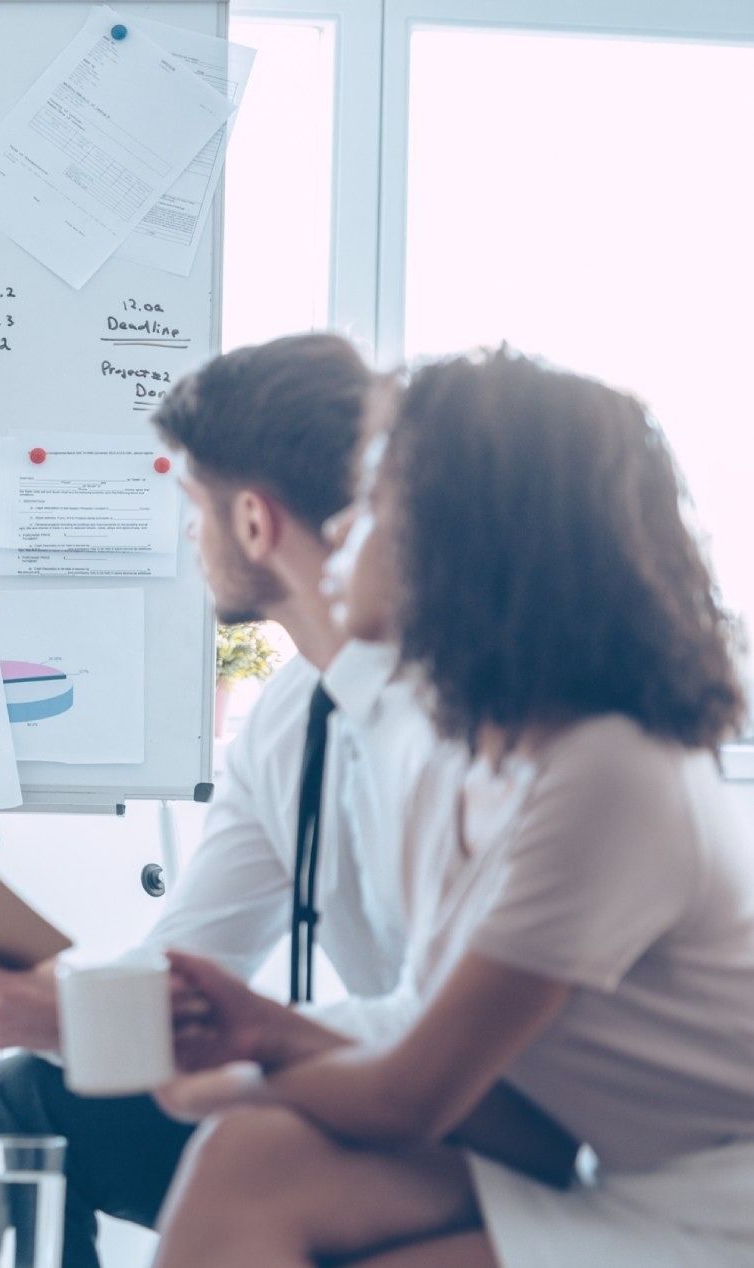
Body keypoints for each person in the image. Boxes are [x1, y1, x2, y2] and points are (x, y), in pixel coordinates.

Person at [0, 335, 575, 1268]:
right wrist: (47, 997)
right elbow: (188, 961)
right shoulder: (288, 718)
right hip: (358, 1075)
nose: (189, 537)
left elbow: (452, 1038)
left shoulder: (476, 719)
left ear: (254, 523)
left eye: (192, 507)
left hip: (477, 1112)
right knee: (14, 1102)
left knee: (243, 1139)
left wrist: (225, 1039)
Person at [153, 349, 754, 1267]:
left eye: (377, 498)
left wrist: (261, 1048)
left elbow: (414, 1101)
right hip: (623, 1176)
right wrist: (257, 1037)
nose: (345, 523)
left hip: (722, 1205)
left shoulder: (607, 772)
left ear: (467, 533)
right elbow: (525, 1122)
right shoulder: (484, 757)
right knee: (253, 1158)